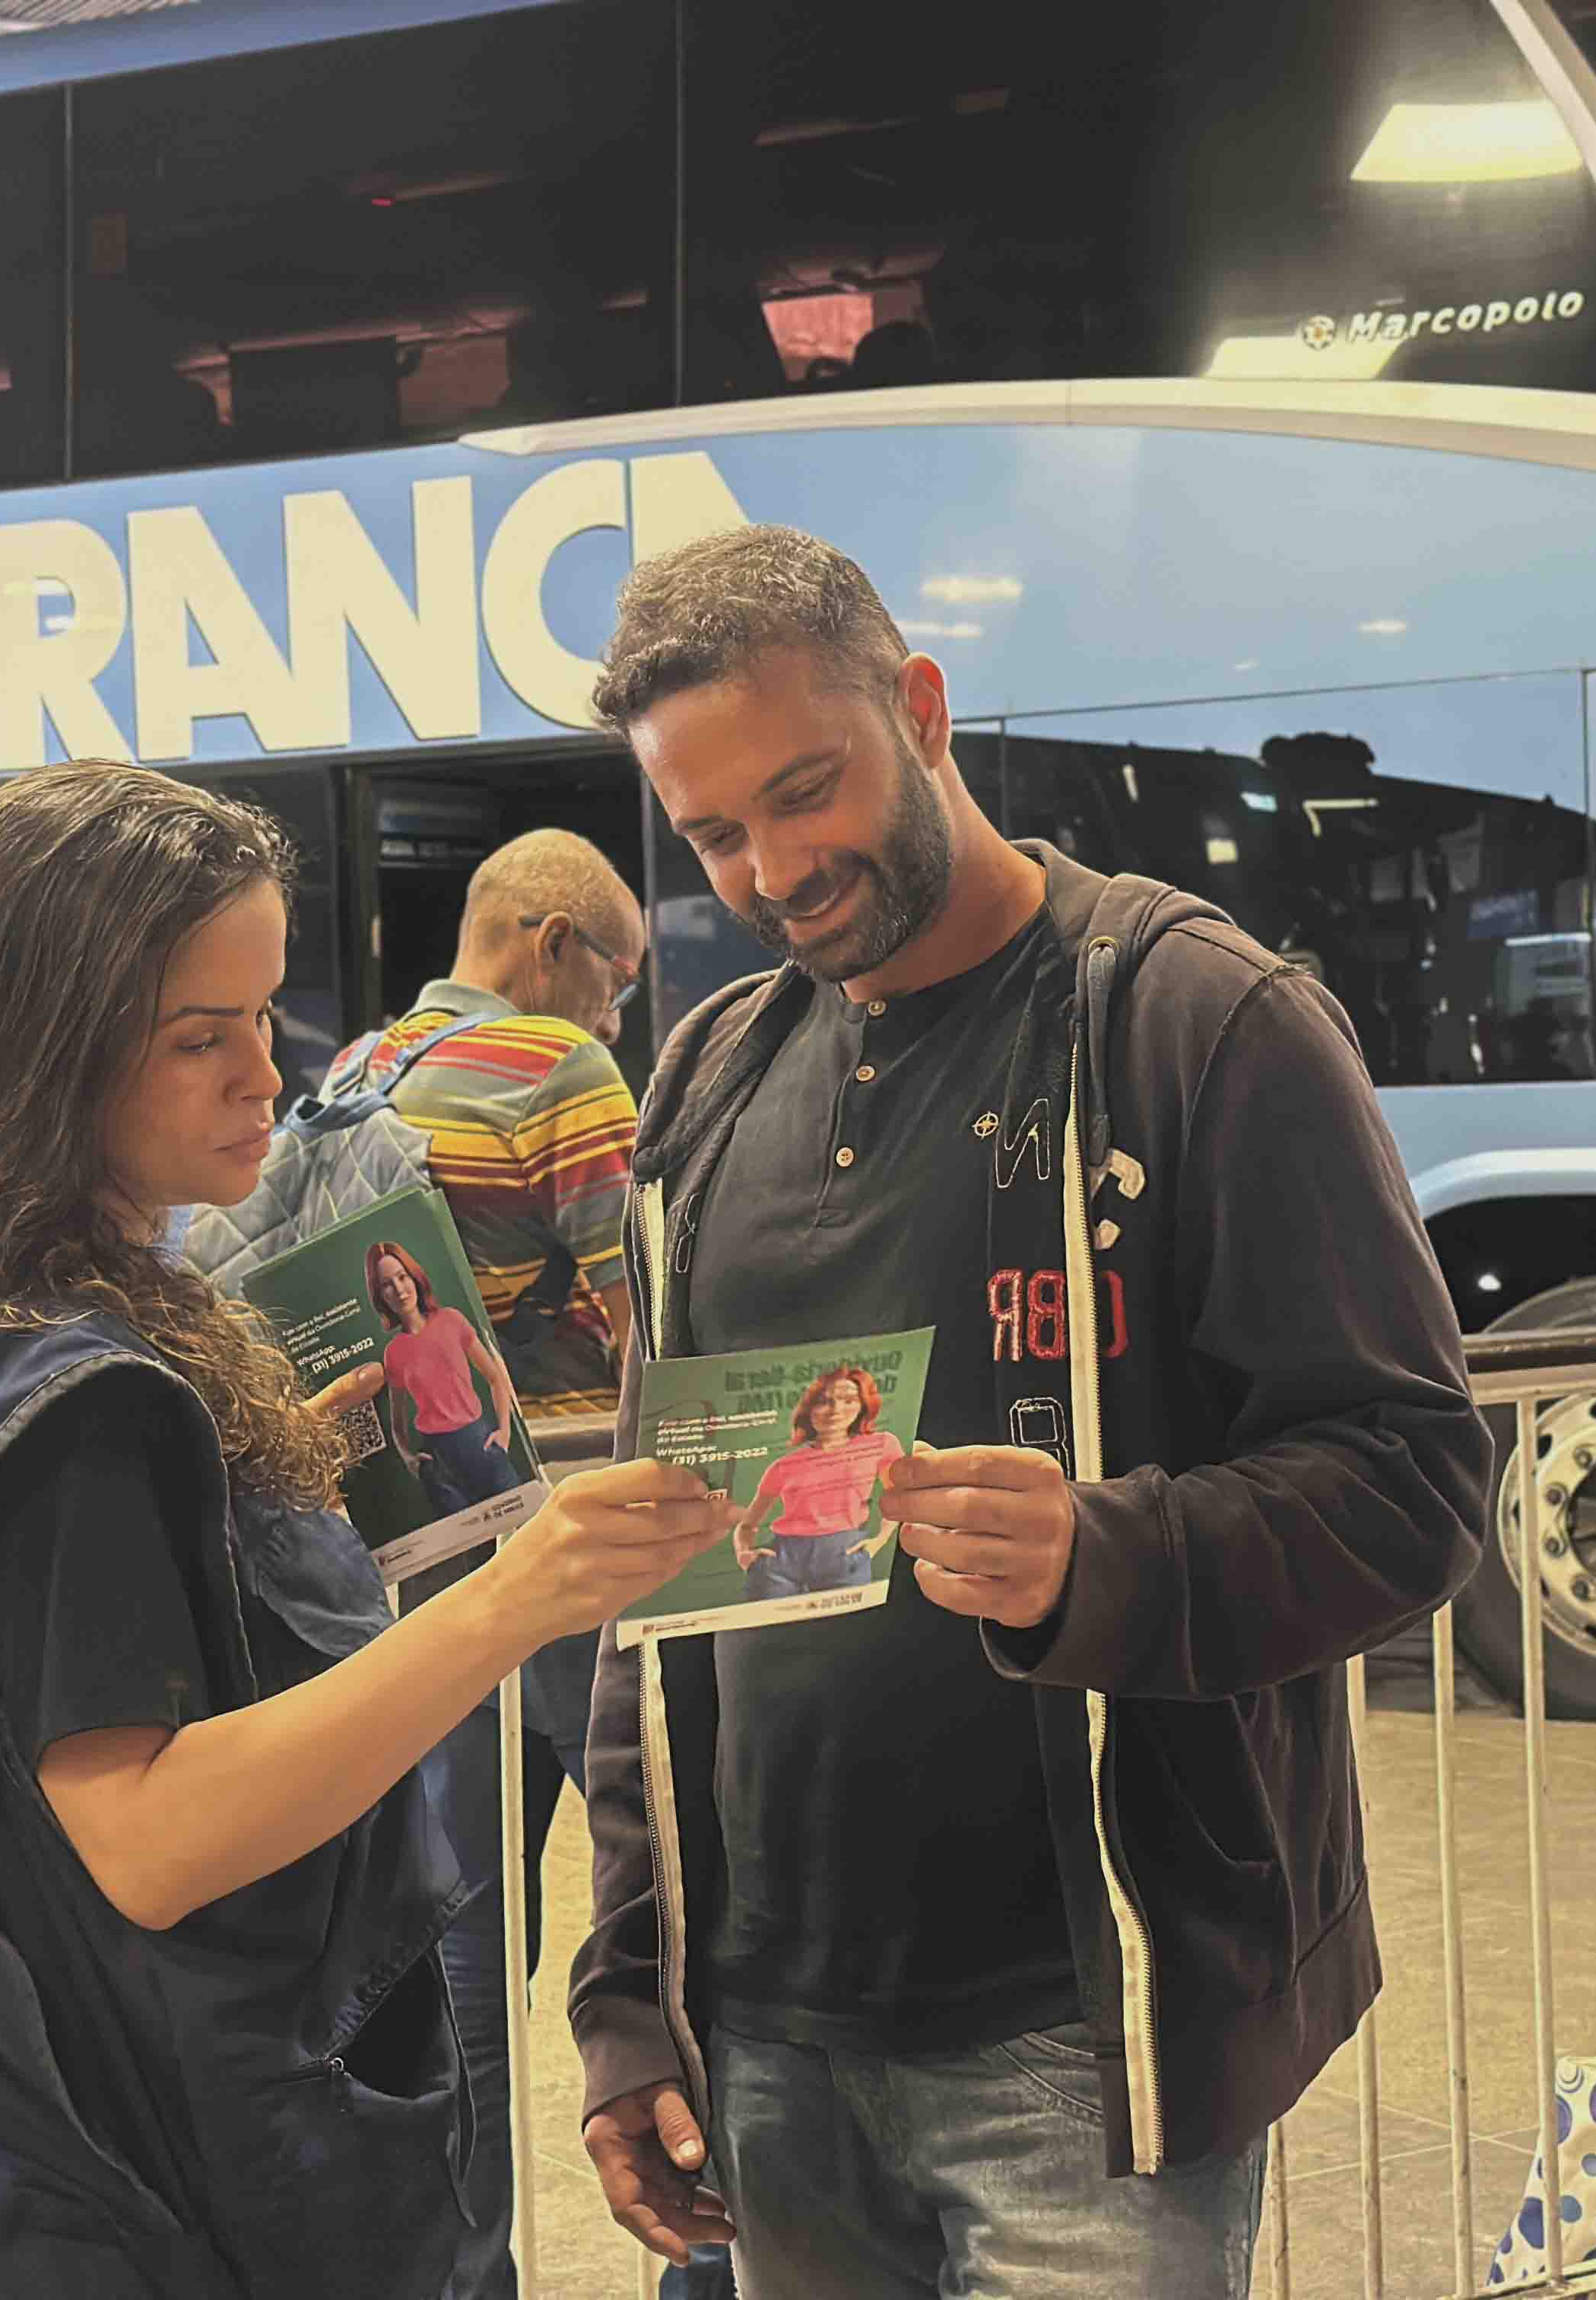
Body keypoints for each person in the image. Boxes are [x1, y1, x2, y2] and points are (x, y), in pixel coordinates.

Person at [569, 526, 1492, 2298]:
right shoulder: (704, 1080)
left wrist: (1103, 1555)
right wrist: (630, 1990)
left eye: (806, 792)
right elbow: (660, 1589)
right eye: (714, 836)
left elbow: (1417, 1476)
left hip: (1081, 2044)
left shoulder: (1198, 1021)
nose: (774, 870)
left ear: (921, 710)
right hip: (766, 2048)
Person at [0, 761, 730, 2296]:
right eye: (198, 1037)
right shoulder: (83, 1401)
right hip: (118, 2201)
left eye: (266, 1014)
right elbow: (152, 1837)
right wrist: (515, 1597)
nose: (266, 1073)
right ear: (43, 1050)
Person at [313, 828, 649, 2300]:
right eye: (617, 979)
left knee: (456, 1947)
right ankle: (712, 2265)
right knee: (682, 1907)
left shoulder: (356, 1070)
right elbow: (655, 1327)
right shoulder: (557, 1069)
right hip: (574, 1549)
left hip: (417, 1562)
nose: (616, 1016)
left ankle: (464, 2272)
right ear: (550, 939)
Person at [371, 1239, 525, 1519]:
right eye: (386, 1285)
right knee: (471, 1543)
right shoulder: (393, 1353)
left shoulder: (452, 1320)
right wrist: (409, 1459)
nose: (399, 1289)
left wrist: (505, 1431)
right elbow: (397, 1424)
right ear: (381, 1296)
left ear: (414, 1277)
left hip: (480, 1445)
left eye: (402, 1277)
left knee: (523, 1526)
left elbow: (495, 1377)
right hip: (439, 1462)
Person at [732, 1364, 903, 1601]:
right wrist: (744, 1554)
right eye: (824, 1402)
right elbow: (747, 1525)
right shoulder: (784, 1466)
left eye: (849, 1401)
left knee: (846, 1623)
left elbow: (900, 1499)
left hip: (844, 1555)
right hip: (782, 1562)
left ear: (862, 1406)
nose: (836, 1410)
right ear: (809, 1410)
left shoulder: (881, 1444)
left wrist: (879, 1541)